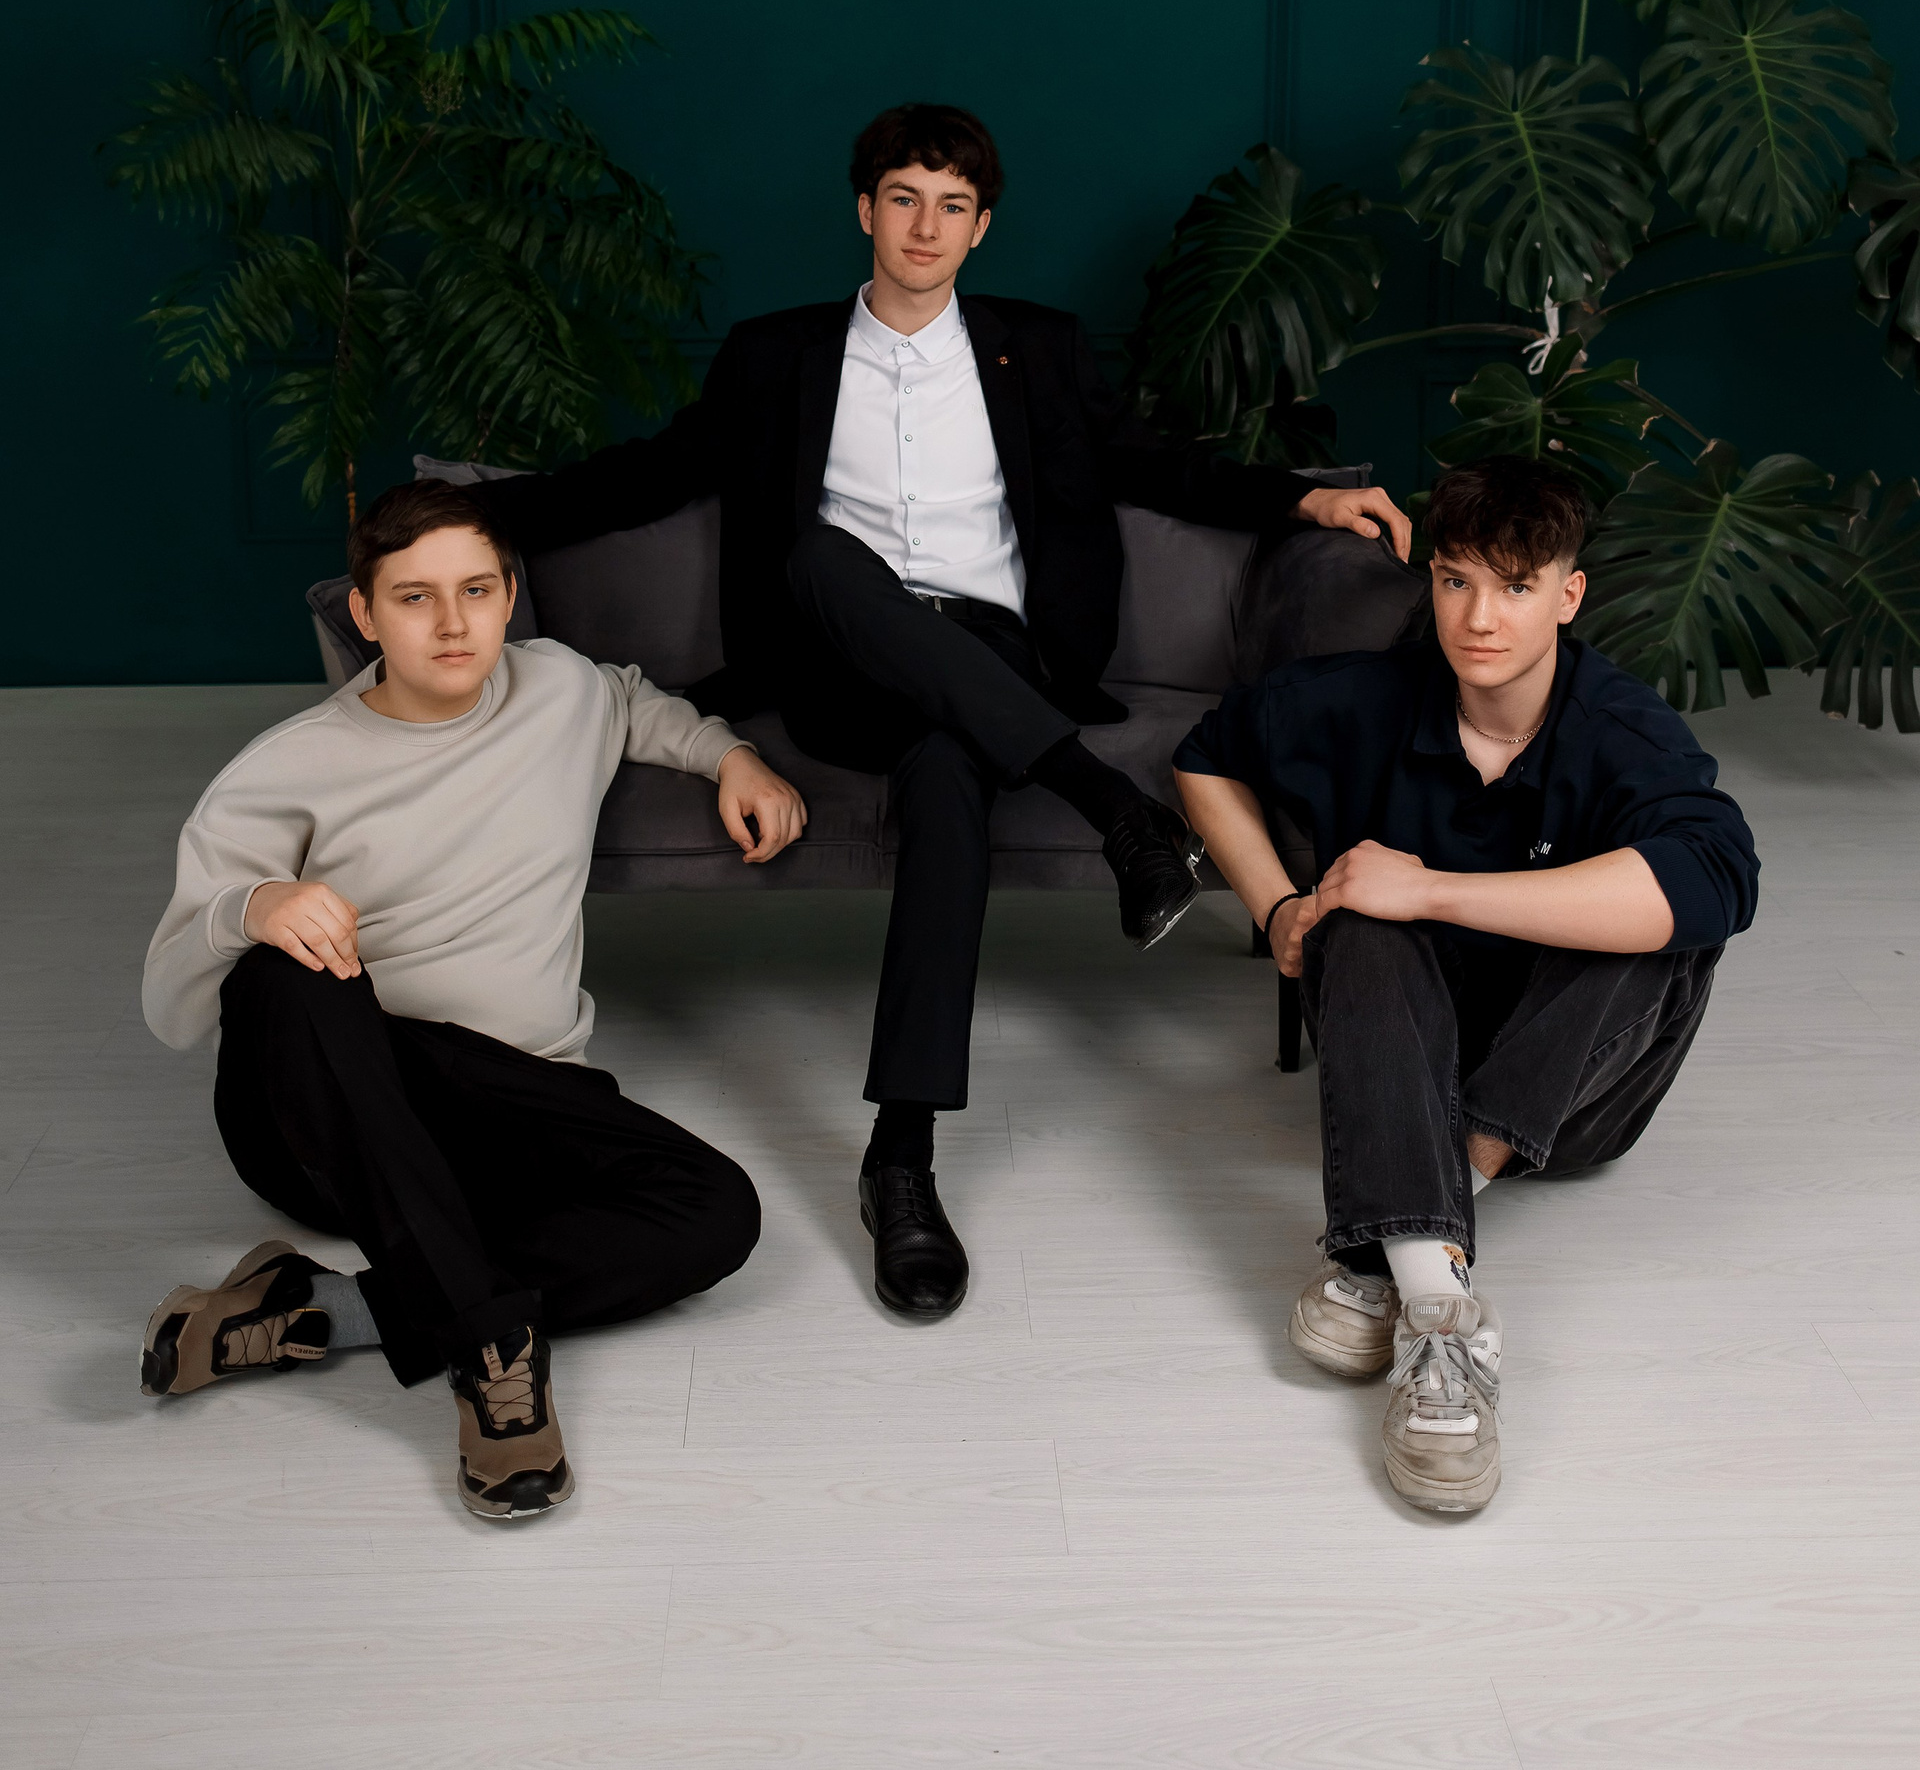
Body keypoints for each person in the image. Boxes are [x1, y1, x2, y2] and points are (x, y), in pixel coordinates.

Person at [483, 102, 1411, 1322]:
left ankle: (902, 1155)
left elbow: (1157, 463)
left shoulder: (1040, 350)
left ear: (982, 228)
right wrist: (473, 518)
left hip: (995, 659)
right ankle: (1113, 808)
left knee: (948, 763)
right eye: (904, 200)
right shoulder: (777, 355)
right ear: (865, 212)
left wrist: (1306, 502)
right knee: (820, 559)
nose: (926, 226)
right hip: (833, 658)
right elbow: (656, 470)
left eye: (953, 206)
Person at [140, 478, 806, 1523]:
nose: (452, 623)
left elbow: (634, 699)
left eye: (477, 591)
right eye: (415, 598)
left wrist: (731, 756)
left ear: (508, 596)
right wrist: (254, 906)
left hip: (508, 1102)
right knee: (282, 974)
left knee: (717, 1212)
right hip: (333, 1117)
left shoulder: (560, 689)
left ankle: (318, 1311)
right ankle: (495, 1358)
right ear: (365, 615)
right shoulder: (286, 768)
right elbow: (170, 1002)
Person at [1174, 455, 1759, 1516]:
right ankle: (1439, 1315)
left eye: (1516, 587)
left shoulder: (1621, 729)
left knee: (1655, 925)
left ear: (1569, 596)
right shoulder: (1362, 698)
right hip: (1399, 1056)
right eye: (1455, 580)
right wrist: (1276, 907)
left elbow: (1721, 875)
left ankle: (1394, 1236)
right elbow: (1205, 756)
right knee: (1354, 908)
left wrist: (1435, 890)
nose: (1479, 618)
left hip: (1570, 1098)